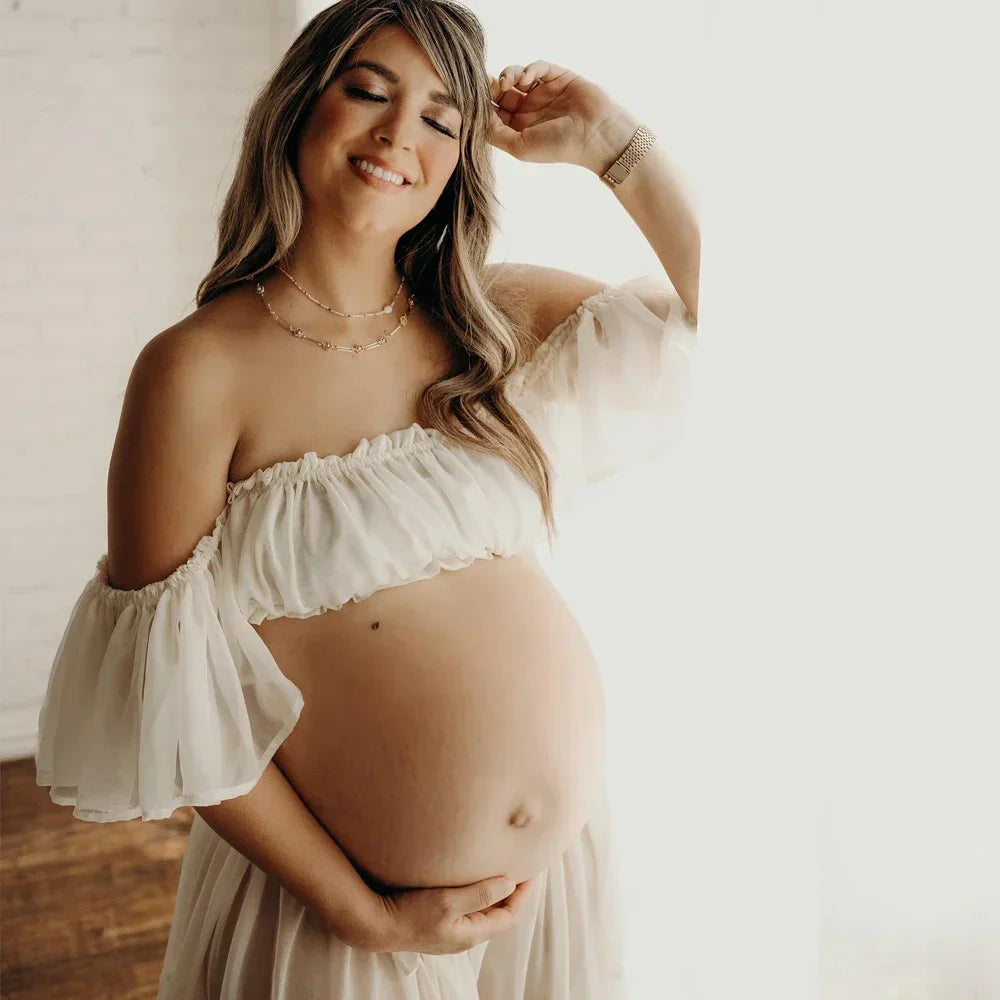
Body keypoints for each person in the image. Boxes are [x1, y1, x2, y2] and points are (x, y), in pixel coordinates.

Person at [33, 0, 699, 996]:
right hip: (345, 920)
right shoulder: (195, 372)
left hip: (554, 885)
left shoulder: (492, 318)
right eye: (369, 92)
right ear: (301, 106)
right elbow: (172, 694)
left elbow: (752, 324)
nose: (399, 136)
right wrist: (366, 910)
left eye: (441, 115)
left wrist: (614, 146)